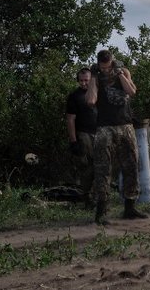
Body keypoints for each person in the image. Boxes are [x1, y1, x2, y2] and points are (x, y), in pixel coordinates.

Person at [86, 49, 147, 224]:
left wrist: (120, 74)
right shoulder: (96, 76)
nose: (105, 70)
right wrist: (94, 78)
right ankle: (101, 211)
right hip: (105, 127)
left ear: (112, 62)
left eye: (108, 67)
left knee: (131, 165)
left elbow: (132, 91)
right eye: (102, 68)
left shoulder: (122, 71)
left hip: (125, 124)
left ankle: (130, 207)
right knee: (103, 169)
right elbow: (90, 101)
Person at [66, 67, 96, 206]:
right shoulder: (74, 96)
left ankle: (99, 196)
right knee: (87, 167)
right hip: (84, 134)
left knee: (101, 166)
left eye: (87, 80)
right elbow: (70, 119)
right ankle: (87, 198)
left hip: (100, 132)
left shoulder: (97, 93)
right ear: (78, 81)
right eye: (81, 80)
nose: (84, 83)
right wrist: (73, 141)